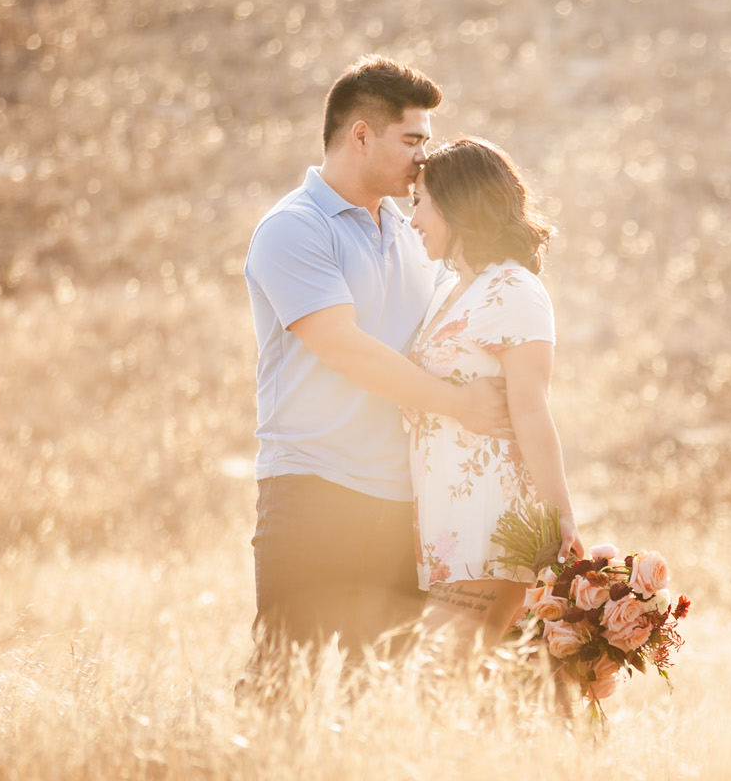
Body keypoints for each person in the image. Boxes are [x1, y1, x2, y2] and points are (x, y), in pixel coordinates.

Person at [239, 56, 511, 703]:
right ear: (360, 135)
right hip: (313, 491)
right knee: (285, 684)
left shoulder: (415, 229)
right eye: (413, 140)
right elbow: (344, 348)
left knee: (376, 693)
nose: (425, 158)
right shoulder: (293, 229)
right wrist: (457, 405)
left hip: (404, 504)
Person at [403, 137, 610, 703]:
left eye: (420, 202)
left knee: (432, 683)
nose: (412, 218)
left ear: (456, 203)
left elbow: (532, 408)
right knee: (475, 690)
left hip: (494, 520)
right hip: (448, 523)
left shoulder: (515, 288)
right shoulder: (451, 287)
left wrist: (563, 518)